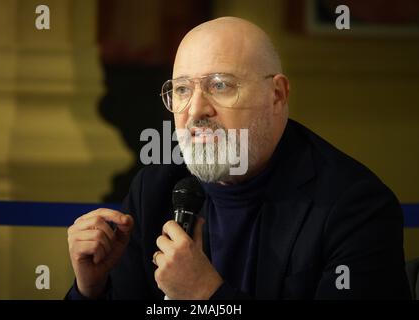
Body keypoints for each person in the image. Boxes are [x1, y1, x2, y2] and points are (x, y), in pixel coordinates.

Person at [66, 17, 411, 300]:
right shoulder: (154, 189)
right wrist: (91, 289)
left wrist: (208, 296)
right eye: (182, 89)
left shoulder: (355, 207)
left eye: (220, 85)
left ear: (276, 95)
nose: (196, 110)